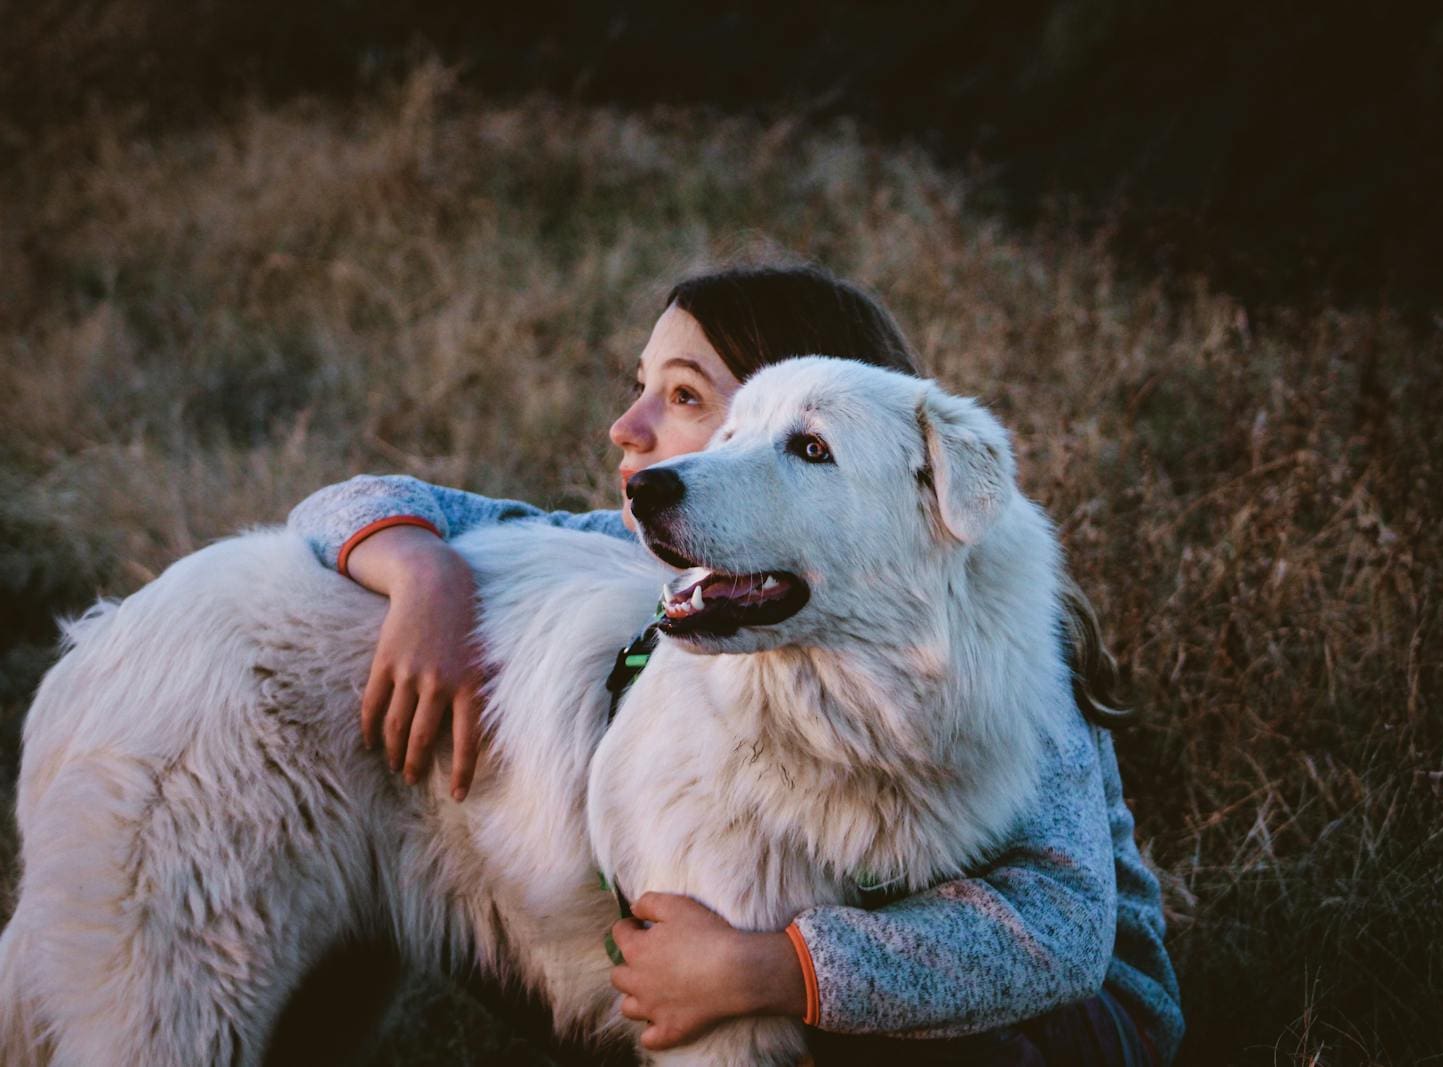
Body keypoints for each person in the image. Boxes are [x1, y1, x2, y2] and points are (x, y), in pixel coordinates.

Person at [286, 263, 1183, 1065]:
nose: (626, 428)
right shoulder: (679, 556)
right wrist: (424, 575)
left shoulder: (1000, 649)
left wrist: (766, 970)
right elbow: (355, 502)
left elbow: (1064, 933)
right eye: (641, 387)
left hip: (1070, 1021)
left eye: (684, 398)